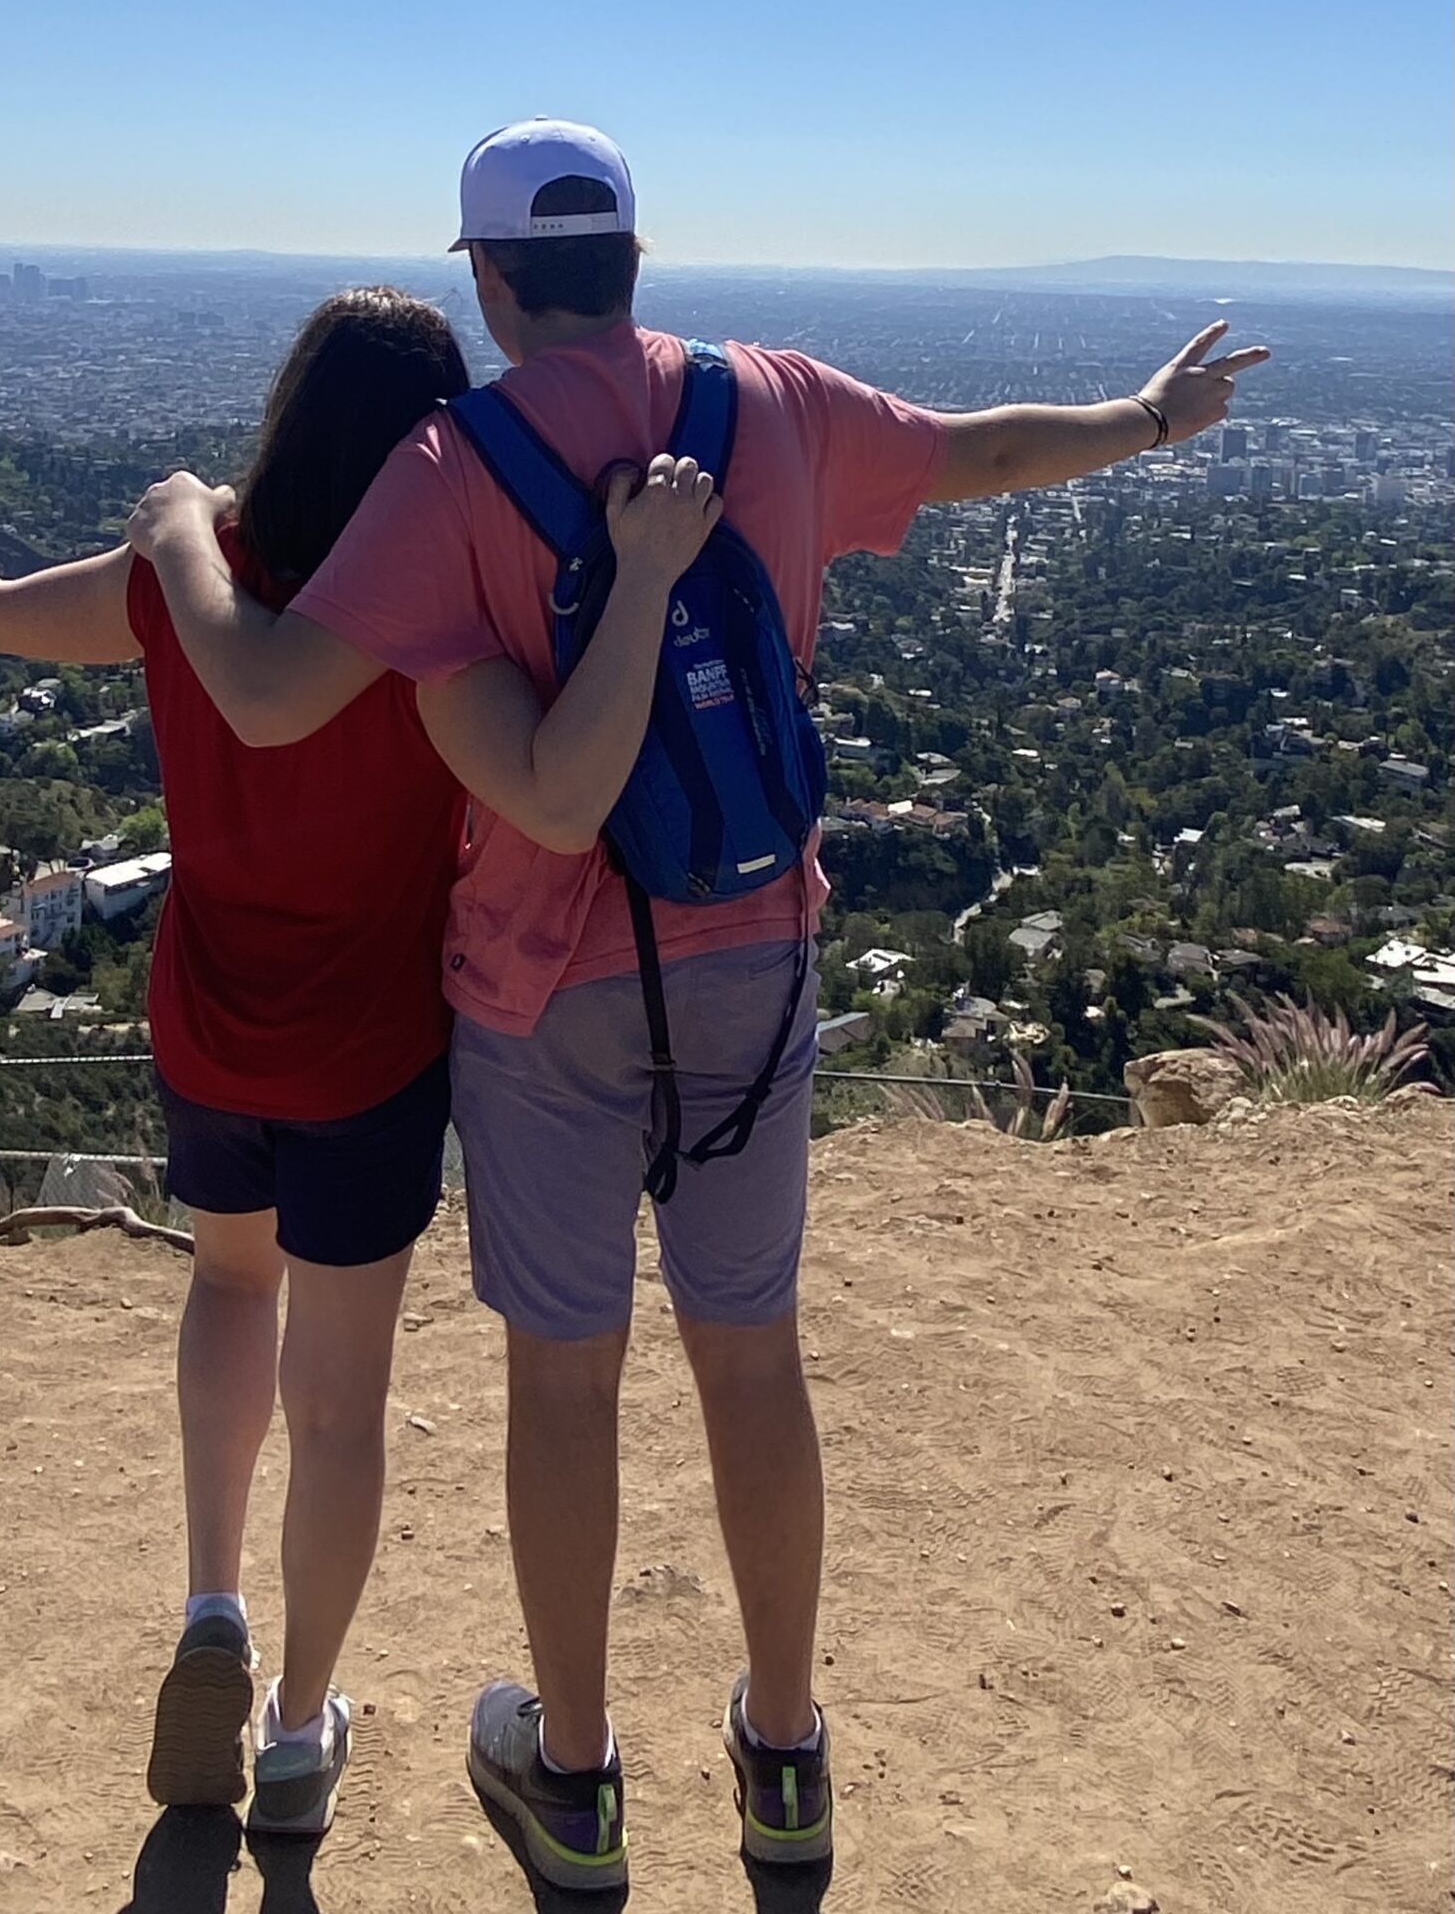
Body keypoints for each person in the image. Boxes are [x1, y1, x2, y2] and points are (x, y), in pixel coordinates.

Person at [125, 121, 1272, 1895]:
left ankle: (574, 1782)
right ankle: (788, 1753)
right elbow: (970, 455)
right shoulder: (770, 403)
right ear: (639, 264)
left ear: (491, 280)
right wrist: (1142, 422)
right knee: (753, 1358)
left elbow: (271, 697)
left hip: (538, 990)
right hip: (752, 951)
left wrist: (182, 536)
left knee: (564, 1391)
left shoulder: (448, 463)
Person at [0, 286, 724, 1842]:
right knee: (341, 1410)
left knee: (226, 1288)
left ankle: (210, 1601)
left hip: (208, 1027)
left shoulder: (190, 583)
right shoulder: (432, 605)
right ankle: (298, 1728)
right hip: (372, 1054)